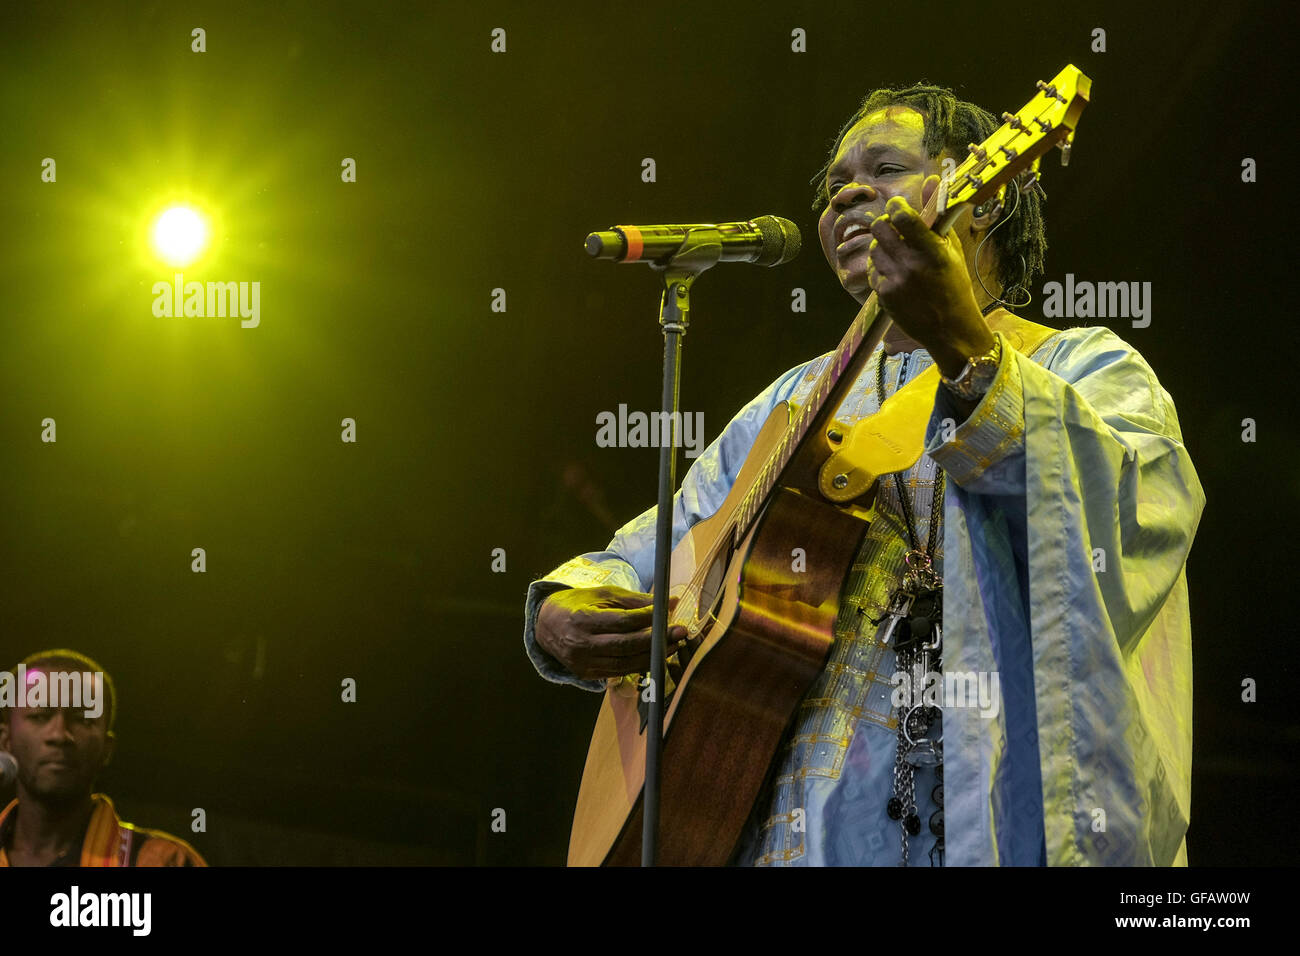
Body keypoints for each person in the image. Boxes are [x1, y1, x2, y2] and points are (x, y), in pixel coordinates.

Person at [523, 83, 1204, 866]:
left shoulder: (1085, 367)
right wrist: (563, 608)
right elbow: (666, 542)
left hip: (972, 829)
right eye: (835, 182)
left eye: (885, 166)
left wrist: (969, 356)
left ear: (985, 197)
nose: (849, 190)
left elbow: (1127, 529)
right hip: (762, 828)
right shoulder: (792, 402)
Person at [0, 649, 207, 867]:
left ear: (106, 749)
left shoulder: (166, 862)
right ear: (6, 741)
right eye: (40, 716)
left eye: (82, 719)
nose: (59, 734)